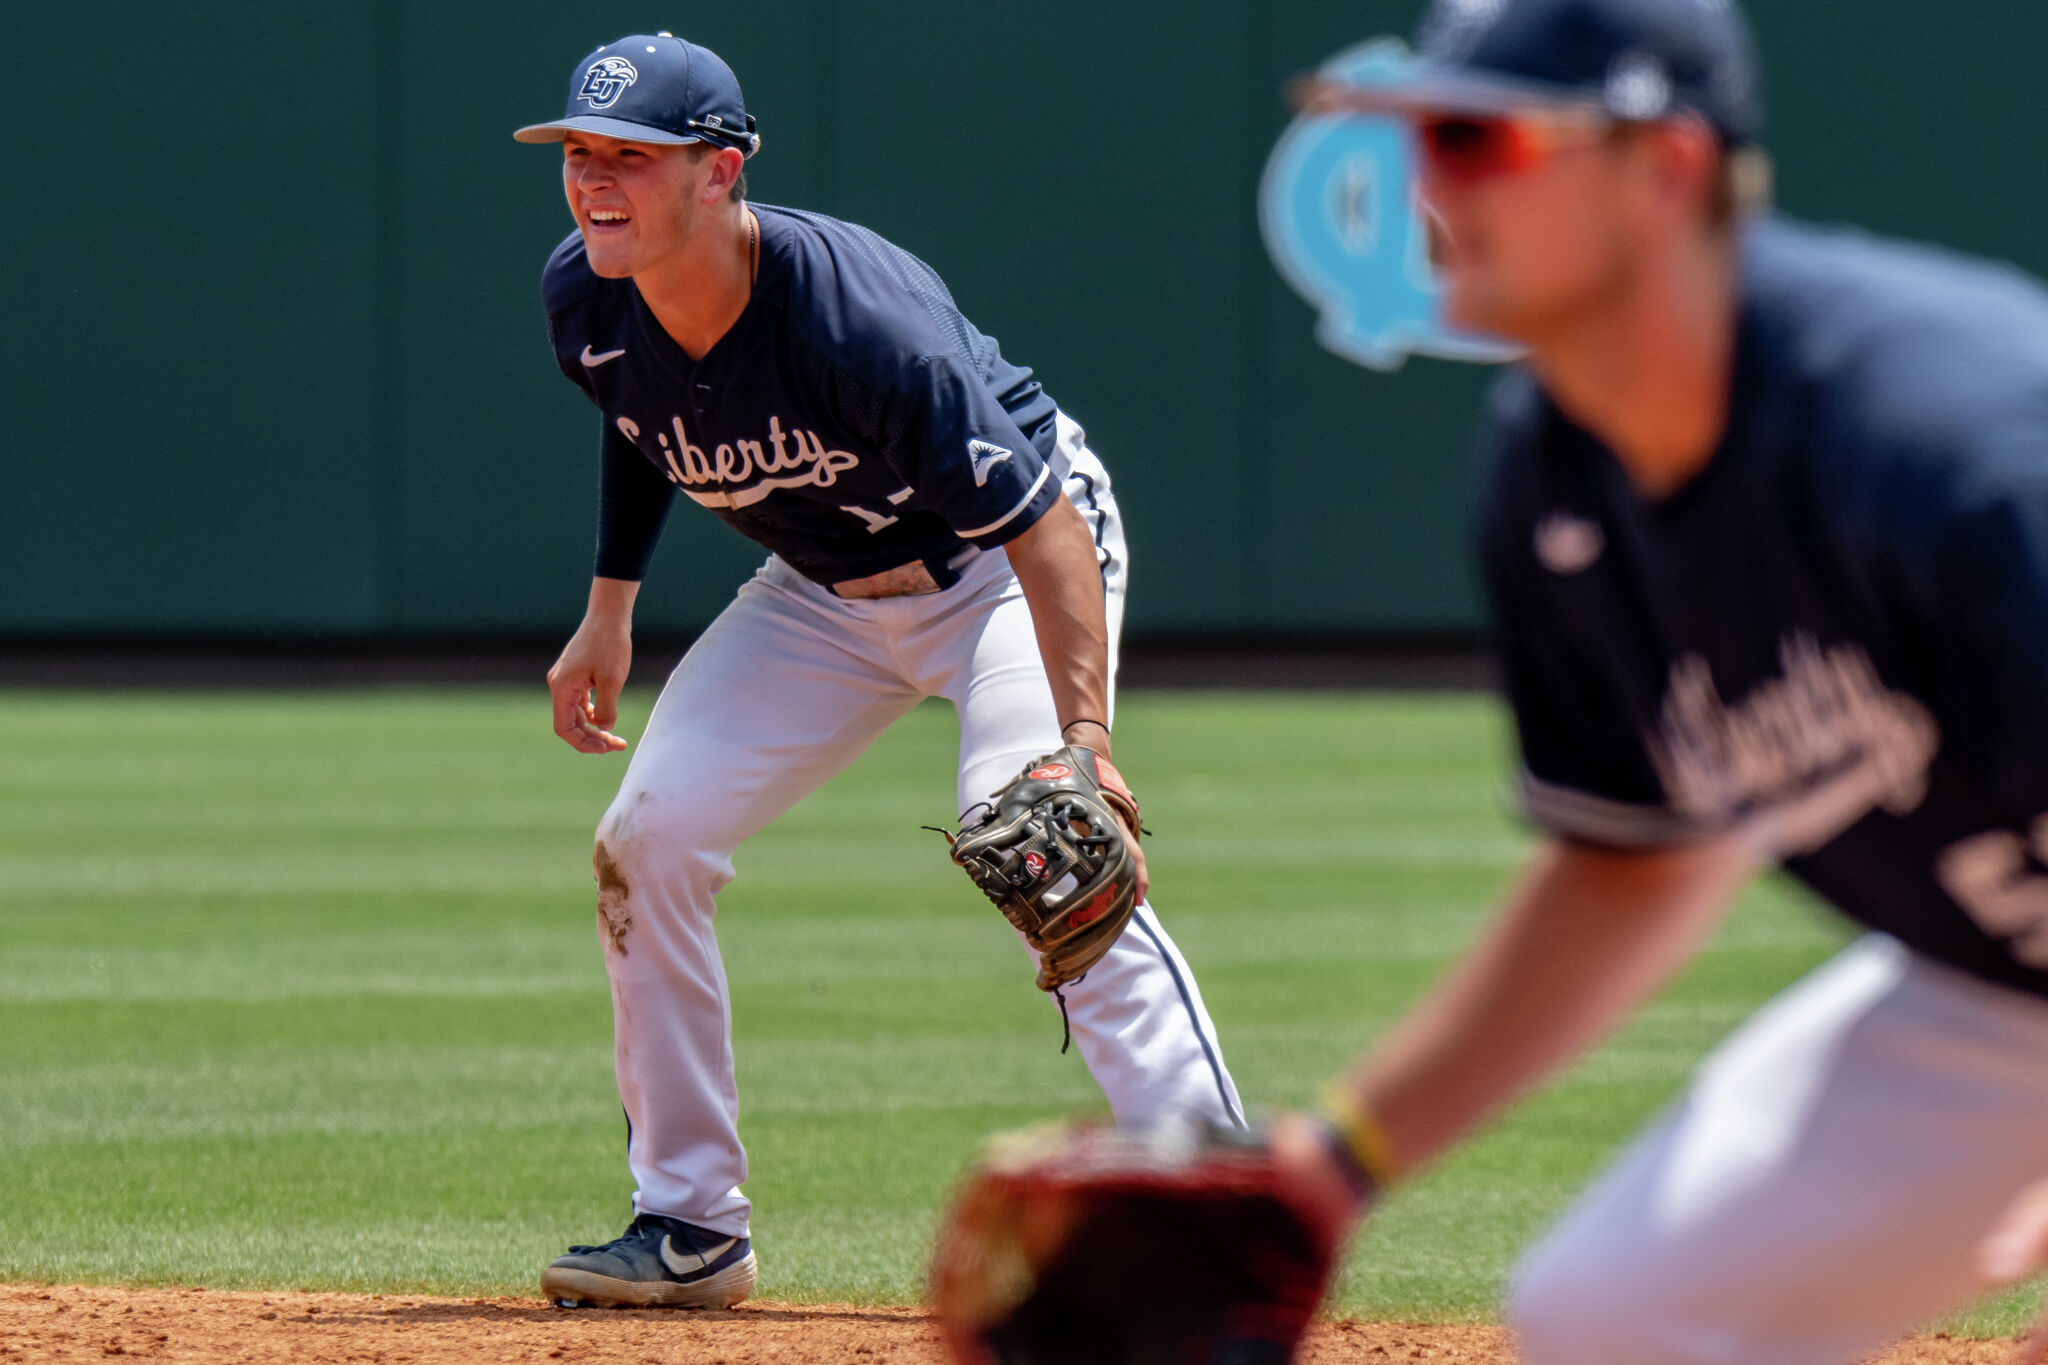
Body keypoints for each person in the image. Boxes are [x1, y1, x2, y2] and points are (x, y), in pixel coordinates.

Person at [1261, 0, 2048, 1360]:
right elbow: (1634, 857)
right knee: (1613, 1313)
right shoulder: (1556, 469)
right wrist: (1331, 1166)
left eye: (1474, 137)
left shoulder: (1948, 450)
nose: (1427, 186)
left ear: (1666, 165)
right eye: (1410, 142)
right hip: (1999, 986)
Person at [510, 32, 1243, 1311]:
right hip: (821, 595)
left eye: (631, 155)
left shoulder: (859, 319)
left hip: (999, 572)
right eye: (578, 152)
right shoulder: (587, 294)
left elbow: (1044, 526)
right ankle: (689, 1225)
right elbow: (641, 421)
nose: (593, 179)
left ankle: (1218, 1210)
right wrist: (608, 609)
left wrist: (1087, 738)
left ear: (720, 170)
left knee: (1050, 849)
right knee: (649, 838)